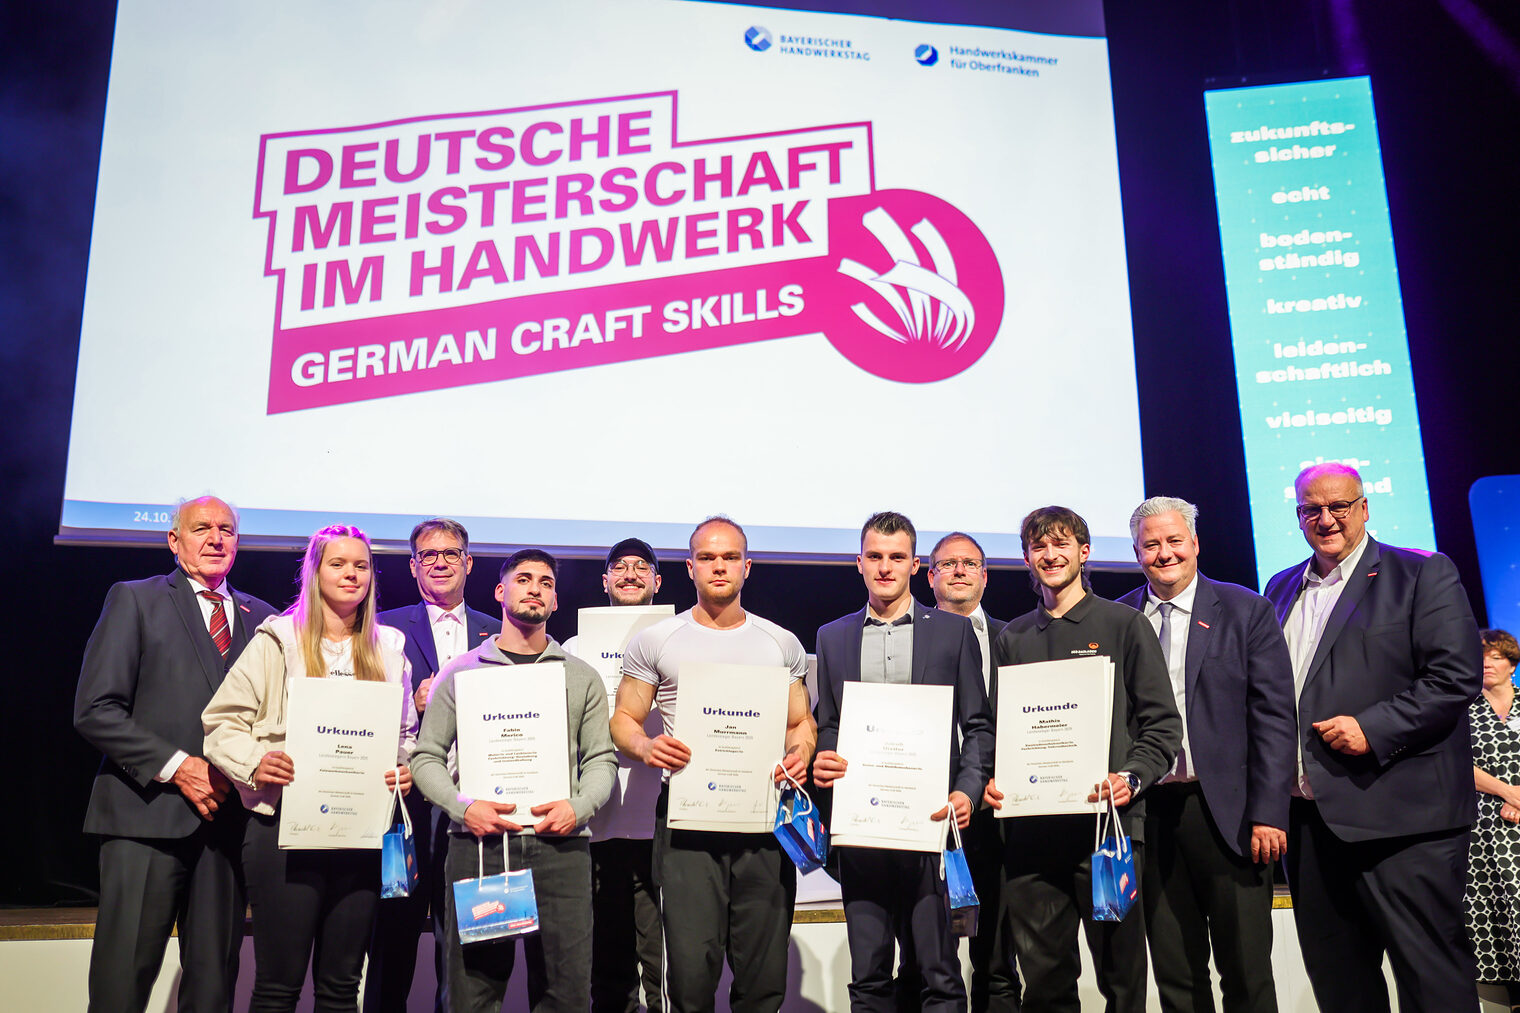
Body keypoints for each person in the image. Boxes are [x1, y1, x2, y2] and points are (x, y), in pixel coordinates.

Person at [1263, 462, 1482, 1012]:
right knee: (1339, 985)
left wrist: (1373, 727)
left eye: (1339, 506)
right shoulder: (1281, 585)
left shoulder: (1421, 574)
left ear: (1364, 507)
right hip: (1311, 821)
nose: (1326, 518)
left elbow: (1455, 677)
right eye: (1312, 509)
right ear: (1297, 517)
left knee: (1429, 976)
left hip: (1404, 818)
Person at [202, 524, 416, 1013]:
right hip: (284, 831)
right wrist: (257, 761)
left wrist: (403, 767)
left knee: (342, 988)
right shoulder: (278, 639)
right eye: (337, 564)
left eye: (361, 565)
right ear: (315, 571)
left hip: (360, 834)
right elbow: (221, 722)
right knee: (278, 987)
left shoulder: (390, 648)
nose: (351, 574)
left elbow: (405, 736)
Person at [74, 495, 276, 1013]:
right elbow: (96, 709)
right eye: (201, 528)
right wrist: (178, 767)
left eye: (227, 529)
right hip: (145, 818)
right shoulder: (135, 599)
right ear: (174, 540)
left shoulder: (267, 620)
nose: (215, 538)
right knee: (123, 980)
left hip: (228, 826)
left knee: (213, 987)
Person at [612, 515, 817, 1013]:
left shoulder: (779, 642)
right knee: (688, 979)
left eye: (729, 557)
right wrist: (645, 747)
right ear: (690, 567)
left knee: (763, 978)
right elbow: (623, 719)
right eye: (707, 557)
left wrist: (800, 756)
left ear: (748, 567)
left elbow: (801, 723)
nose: (718, 566)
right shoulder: (657, 639)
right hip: (687, 823)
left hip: (764, 821)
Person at [983, 506, 1181, 1013]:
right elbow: (996, 729)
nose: (1050, 555)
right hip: (1030, 837)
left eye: (1061, 544)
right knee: (1045, 986)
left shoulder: (1125, 625)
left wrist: (1131, 779)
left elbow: (1162, 726)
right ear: (1027, 559)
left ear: (1084, 552)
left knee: (1122, 980)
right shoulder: (1014, 639)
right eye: (1039, 547)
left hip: (1106, 834)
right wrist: (991, 778)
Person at [410, 548, 617, 1013]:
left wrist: (578, 808)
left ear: (555, 601)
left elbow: (601, 761)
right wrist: (465, 808)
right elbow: (426, 759)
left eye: (546, 582)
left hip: (561, 847)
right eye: (524, 579)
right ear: (501, 592)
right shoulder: (461, 672)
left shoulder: (580, 676)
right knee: (473, 994)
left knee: (565, 994)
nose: (535, 589)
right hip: (481, 846)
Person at [1117, 497, 1295, 1013]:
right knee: (1176, 975)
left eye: (1175, 541)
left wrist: (1269, 811)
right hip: (1147, 816)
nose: (1164, 552)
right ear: (1135, 552)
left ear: (1195, 543)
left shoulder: (1245, 610)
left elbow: (1274, 719)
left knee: (1247, 975)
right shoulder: (1119, 619)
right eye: (1151, 544)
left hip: (1232, 819)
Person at [812, 512, 994, 1013]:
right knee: (868, 975)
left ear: (915, 565)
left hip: (930, 826)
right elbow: (828, 723)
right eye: (875, 557)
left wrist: (968, 791)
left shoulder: (953, 633)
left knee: (939, 973)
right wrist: (823, 759)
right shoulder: (833, 636)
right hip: (862, 827)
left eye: (896, 558)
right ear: (859, 563)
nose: (885, 567)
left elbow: (978, 725)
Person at [367, 518, 501, 1013]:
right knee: (393, 936)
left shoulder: (499, 627)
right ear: (413, 565)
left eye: (450, 553)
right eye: (428, 555)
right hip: (405, 805)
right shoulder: (383, 628)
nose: (440, 562)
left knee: (466, 938)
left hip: (476, 802)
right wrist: (414, 699)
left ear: (468, 562)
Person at [562, 538, 667, 1013]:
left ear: (657, 582)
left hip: (659, 810)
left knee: (658, 948)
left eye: (640, 568)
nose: (629, 574)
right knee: (607, 948)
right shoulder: (574, 647)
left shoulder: (677, 638)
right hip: (598, 814)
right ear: (604, 581)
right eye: (618, 568)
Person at [923, 531, 1018, 1013]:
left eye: (969, 563)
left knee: (998, 959)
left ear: (984, 574)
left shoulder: (1015, 637)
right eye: (947, 564)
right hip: (928, 812)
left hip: (998, 812)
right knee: (926, 960)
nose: (959, 571)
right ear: (930, 575)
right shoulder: (909, 637)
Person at [1469, 628, 1520, 1008]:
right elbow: (1456, 763)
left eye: (1497, 657)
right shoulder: (1461, 708)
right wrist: (1507, 792)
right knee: (1493, 907)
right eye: (1482, 657)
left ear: (1512, 665)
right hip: (1482, 825)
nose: (1488, 663)